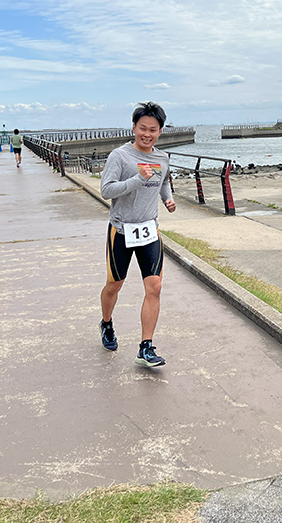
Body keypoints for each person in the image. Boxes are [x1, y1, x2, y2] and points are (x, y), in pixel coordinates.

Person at [98, 102, 177, 368]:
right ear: (133, 128)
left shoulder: (162, 158)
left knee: (154, 286)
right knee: (114, 285)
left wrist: (168, 199)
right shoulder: (119, 157)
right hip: (121, 230)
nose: (147, 134)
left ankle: (146, 347)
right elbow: (106, 190)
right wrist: (137, 180)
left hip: (149, 230)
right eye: (142, 128)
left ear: (160, 131)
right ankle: (106, 323)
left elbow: (164, 181)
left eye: (153, 130)